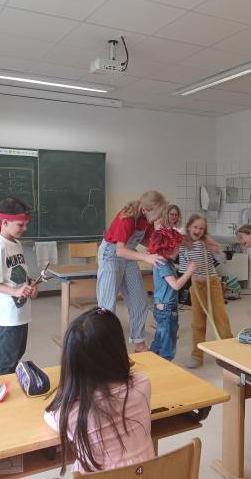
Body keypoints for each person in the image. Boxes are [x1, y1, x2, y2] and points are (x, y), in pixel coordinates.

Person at [45, 307, 154, 474]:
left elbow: (49, 416)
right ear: (119, 348)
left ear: (71, 362)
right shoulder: (142, 384)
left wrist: (68, 389)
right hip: (146, 474)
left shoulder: (70, 412)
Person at [96, 191, 166, 352]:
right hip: (111, 255)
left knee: (140, 302)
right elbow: (120, 250)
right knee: (106, 306)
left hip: (129, 255)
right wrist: (146, 257)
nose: (159, 217)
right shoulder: (127, 218)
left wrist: (161, 246)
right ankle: (103, 348)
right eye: (158, 213)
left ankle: (139, 343)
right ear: (145, 210)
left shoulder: (147, 219)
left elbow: (146, 240)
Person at [0, 197, 38, 376]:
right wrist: (15, 291)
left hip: (20, 311)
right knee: (6, 361)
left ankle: (10, 384)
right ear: (5, 222)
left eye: (26, 224)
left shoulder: (17, 243)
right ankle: (1, 387)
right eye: (21, 225)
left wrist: (30, 286)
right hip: (7, 314)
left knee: (17, 353)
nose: (25, 228)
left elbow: (19, 272)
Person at [180, 213, 233, 369]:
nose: (198, 230)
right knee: (197, 322)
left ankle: (229, 353)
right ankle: (197, 355)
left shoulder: (206, 242)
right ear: (189, 227)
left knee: (221, 319)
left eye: (201, 228)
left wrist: (217, 248)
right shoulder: (183, 244)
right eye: (195, 227)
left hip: (212, 283)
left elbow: (222, 260)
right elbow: (183, 269)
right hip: (196, 285)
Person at [148, 226, 196, 361]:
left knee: (160, 341)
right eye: (176, 247)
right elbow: (176, 285)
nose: (179, 250)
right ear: (167, 248)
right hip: (167, 310)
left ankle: (152, 363)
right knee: (167, 347)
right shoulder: (163, 263)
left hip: (162, 309)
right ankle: (165, 368)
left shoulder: (164, 261)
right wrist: (189, 271)